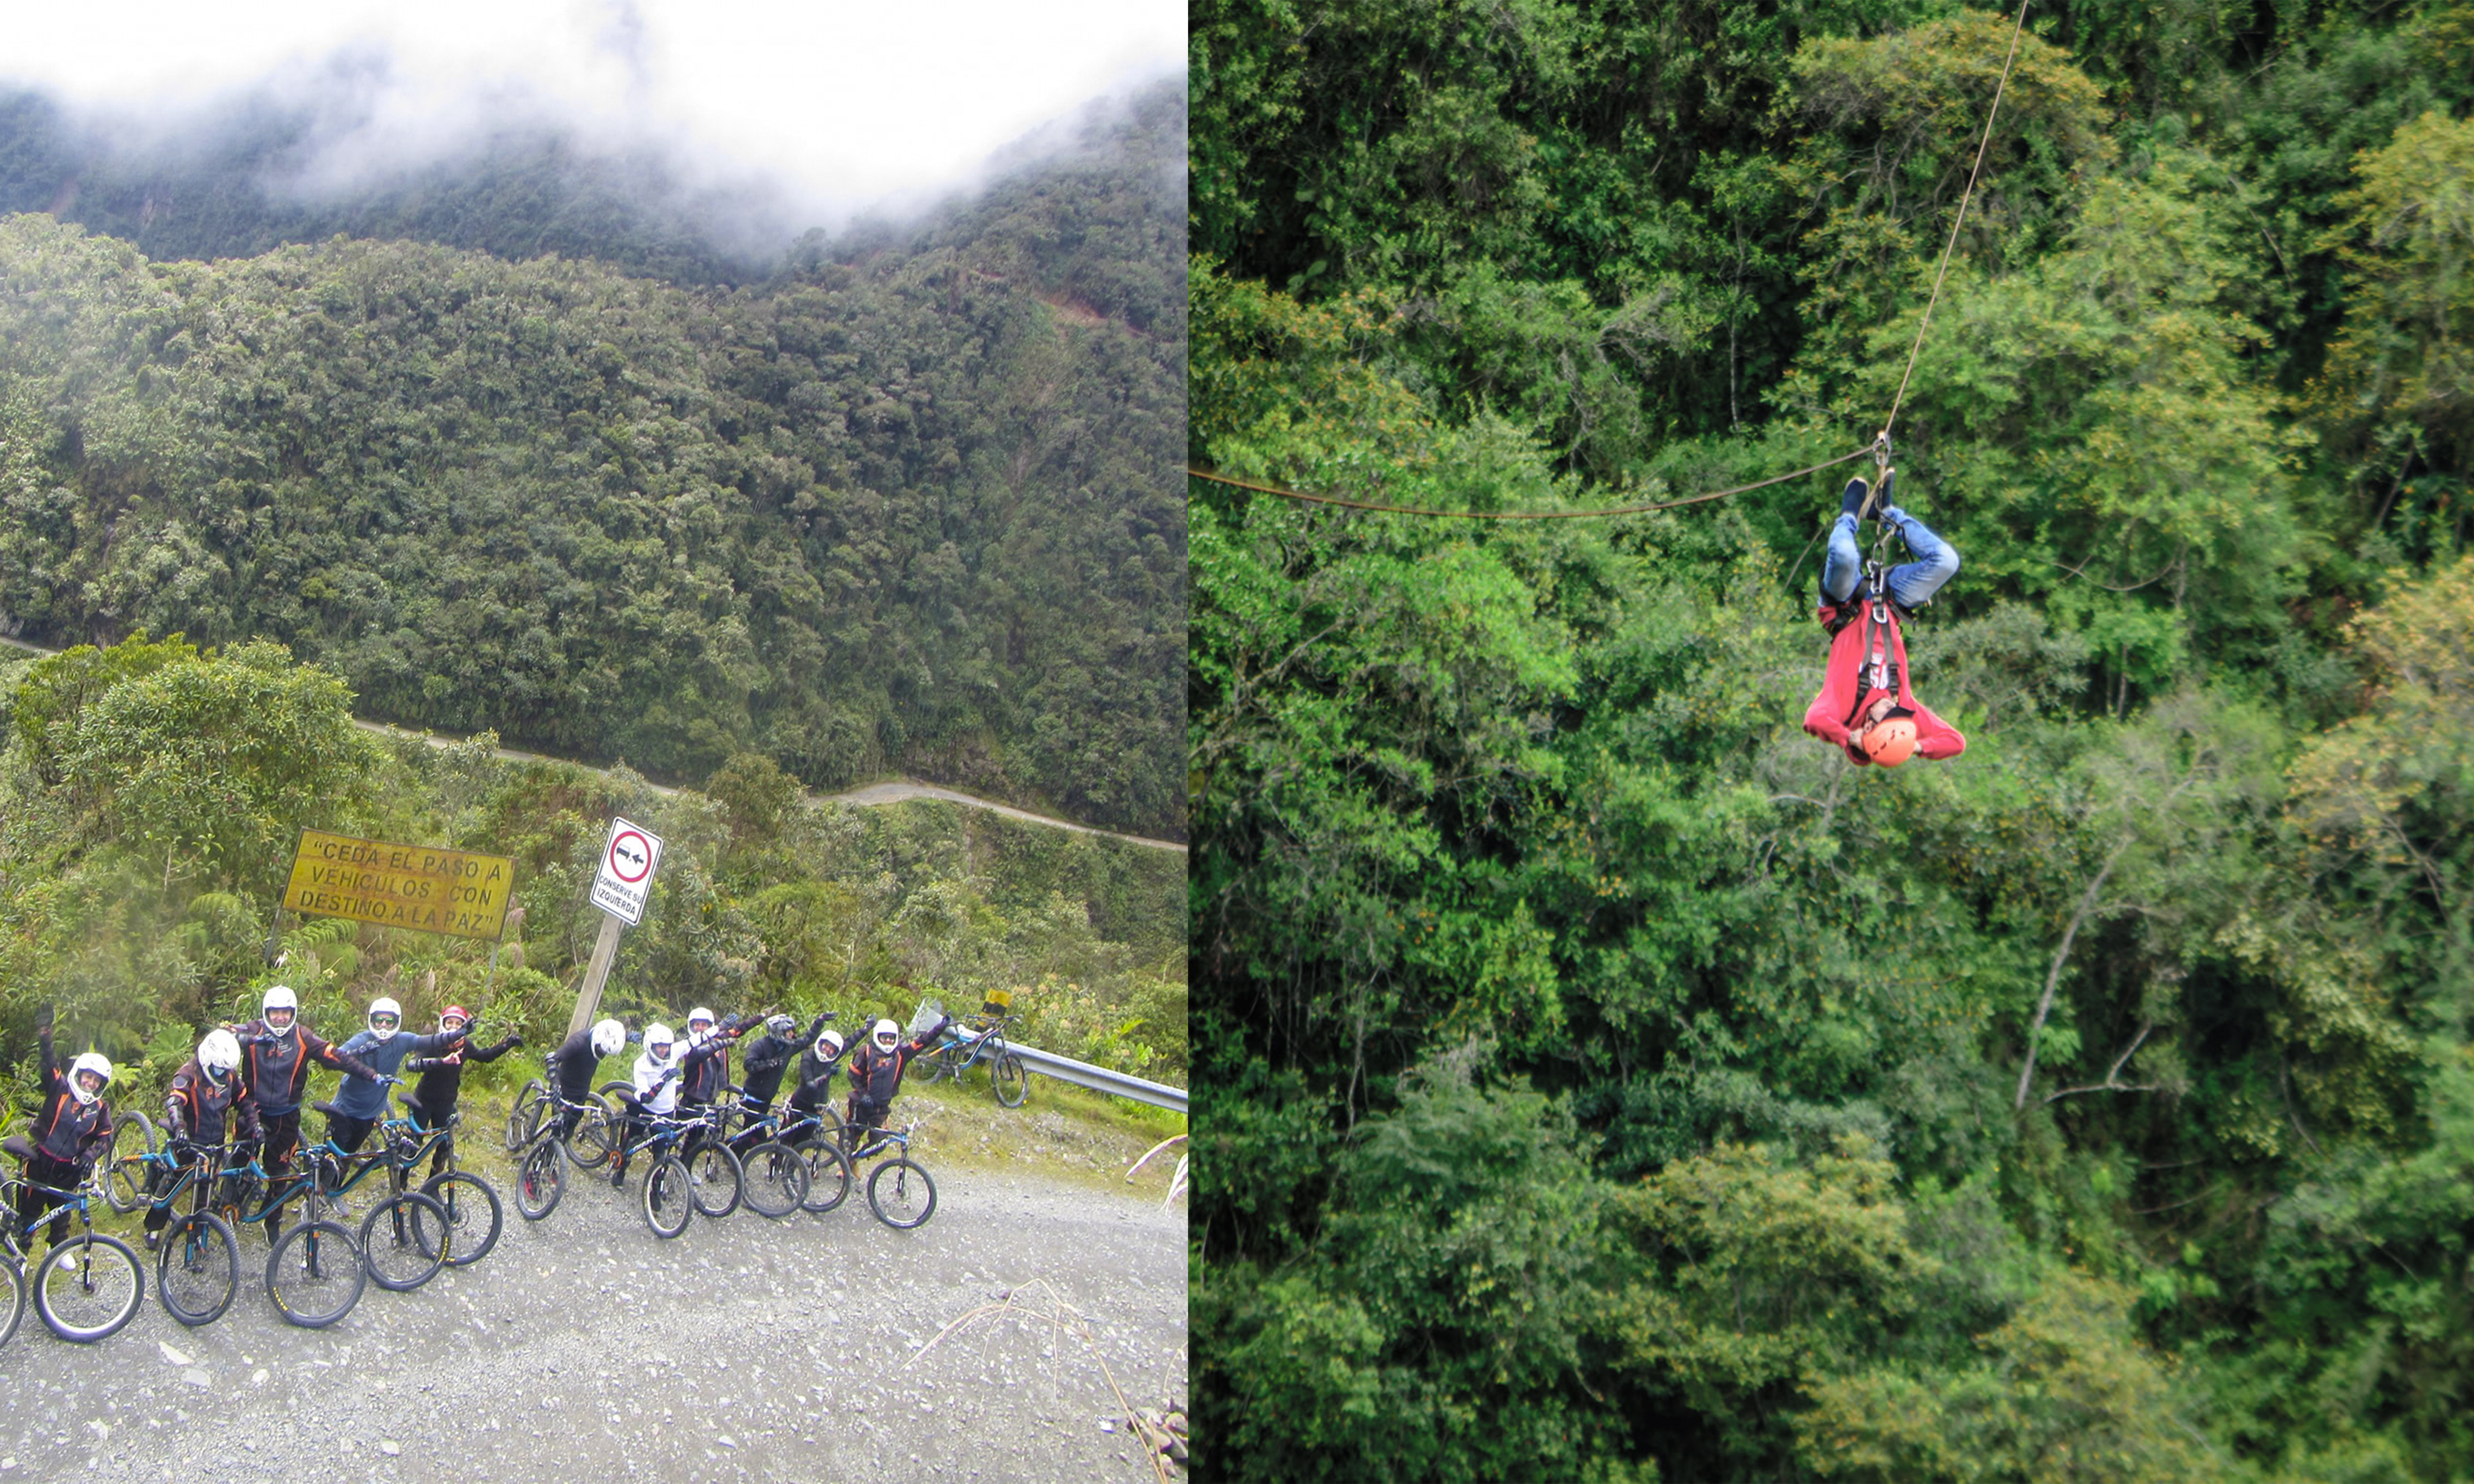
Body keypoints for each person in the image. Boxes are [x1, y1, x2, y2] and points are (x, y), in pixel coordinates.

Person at [1804, 465, 1967, 767]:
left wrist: (1848, 738)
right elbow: (1956, 743)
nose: (1894, 706)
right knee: (1947, 561)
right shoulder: (1904, 710)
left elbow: (1815, 721)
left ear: (1867, 728)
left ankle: (1849, 516)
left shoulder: (1840, 709)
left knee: (1844, 555)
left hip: (1845, 605)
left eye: (1888, 714)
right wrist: (1914, 746)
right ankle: (1887, 511)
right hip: (1890, 601)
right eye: (1898, 714)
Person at [233, 984, 384, 1242]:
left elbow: (336, 1056)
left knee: (280, 1172)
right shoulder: (253, 1029)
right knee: (238, 1162)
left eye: (285, 1012)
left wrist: (371, 1075)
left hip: (286, 1116)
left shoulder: (303, 1037)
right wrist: (247, 1039)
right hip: (252, 1112)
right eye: (274, 1013)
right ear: (265, 1013)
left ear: (293, 1013)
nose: (280, 1018)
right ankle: (229, 1207)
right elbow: (224, 1034)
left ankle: (272, 1221)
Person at [11, 1005, 114, 1250]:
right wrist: (45, 1033)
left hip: (68, 1170)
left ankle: (57, 1249)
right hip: (40, 1160)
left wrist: (91, 1154)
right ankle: (22, 1251)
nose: (90, 1083)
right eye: (87, 1077)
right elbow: (49, 1063)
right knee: (29, 1211)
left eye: (96, 1080)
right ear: (79, 1075)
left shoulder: (100, 1107)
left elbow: (106, 1137)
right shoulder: (59, 1088)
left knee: (61, 1215)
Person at [145, 1028, 257, 1252]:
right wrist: (179, 1129)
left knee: (205, 1192)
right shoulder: (188, 1074)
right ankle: (153, 1228)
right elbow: (174, 1102)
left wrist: (255, 1124)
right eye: (218, 1070)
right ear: (207, 1060)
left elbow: (244, 1102)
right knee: (173, 1188)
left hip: (215, 1144)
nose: (222, 1075)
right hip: (189, 1142)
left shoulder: (230, 1077)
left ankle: (197, 1233)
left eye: (226, 1071)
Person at [322, 995, 465, 1160]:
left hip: (370, 1113)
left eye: (389, 1021)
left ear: (396, 1021)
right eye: (379, 1020)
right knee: (331, 1160)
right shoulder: (362, 1040)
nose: (383, 1025)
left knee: (347, 1159)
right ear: (372, 1020)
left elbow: (432, 1040)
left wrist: (459, 1033)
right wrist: (356, 1053)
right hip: (345, 1110)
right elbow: (333, 1058)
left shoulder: (403, 1040)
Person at [399, 1005, 522, 1182]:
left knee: (444, 1147)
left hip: (447, 1102)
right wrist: (440, 1061)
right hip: (423, 1100)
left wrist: (507, 1044)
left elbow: (485, 1056)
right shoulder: (434, 1043)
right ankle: (400, 1186)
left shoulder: (465, 1045)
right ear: (442, 1023)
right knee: (413, 1144)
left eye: (458, 1023)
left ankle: (432, 1187)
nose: (453, 1027)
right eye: (449, 1022)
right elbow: (413, 1064)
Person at [842, 1015, 950, 1143]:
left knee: (879, 1143)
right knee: (852, 1139)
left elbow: (923, 1042)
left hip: (882, 1107)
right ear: (877, 1037)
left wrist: (941, 1028)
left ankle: (857, 1158)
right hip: (861, 1104)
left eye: (891, 1038)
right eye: (884, 1038)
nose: (888, 1041)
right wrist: (863, 1094)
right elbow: (853, 1075)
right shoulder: (864, 1052)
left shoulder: (901, 1054)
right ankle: (847, 1159)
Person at [611, 1021, 682, 1188]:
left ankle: (656, 1189)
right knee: (631, 1141)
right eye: (660, 1047)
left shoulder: (672, 1055)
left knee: (661, 1152)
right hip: (643, 1107)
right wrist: (664, 1080)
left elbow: (696, 1042)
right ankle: (621, 1169)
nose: (665, 1050)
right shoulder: (641, 1064)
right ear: (651, 1046)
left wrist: (723, 1030)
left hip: (665, 1111)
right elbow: (646, 1097)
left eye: (667, 1047)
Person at [542, 1018, 626, 1145]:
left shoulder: (604, 1039)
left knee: (570, 1129)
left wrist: (629, 1037)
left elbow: (613, 1037)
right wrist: (555, 1084)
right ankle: (543, 1156)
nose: (602, 1054)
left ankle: (557, 1152)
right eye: (601, 1051)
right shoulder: (578, 1042)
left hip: (581, 1092)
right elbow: (552, 1058)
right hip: (562, 1088)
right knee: (557, 1128)